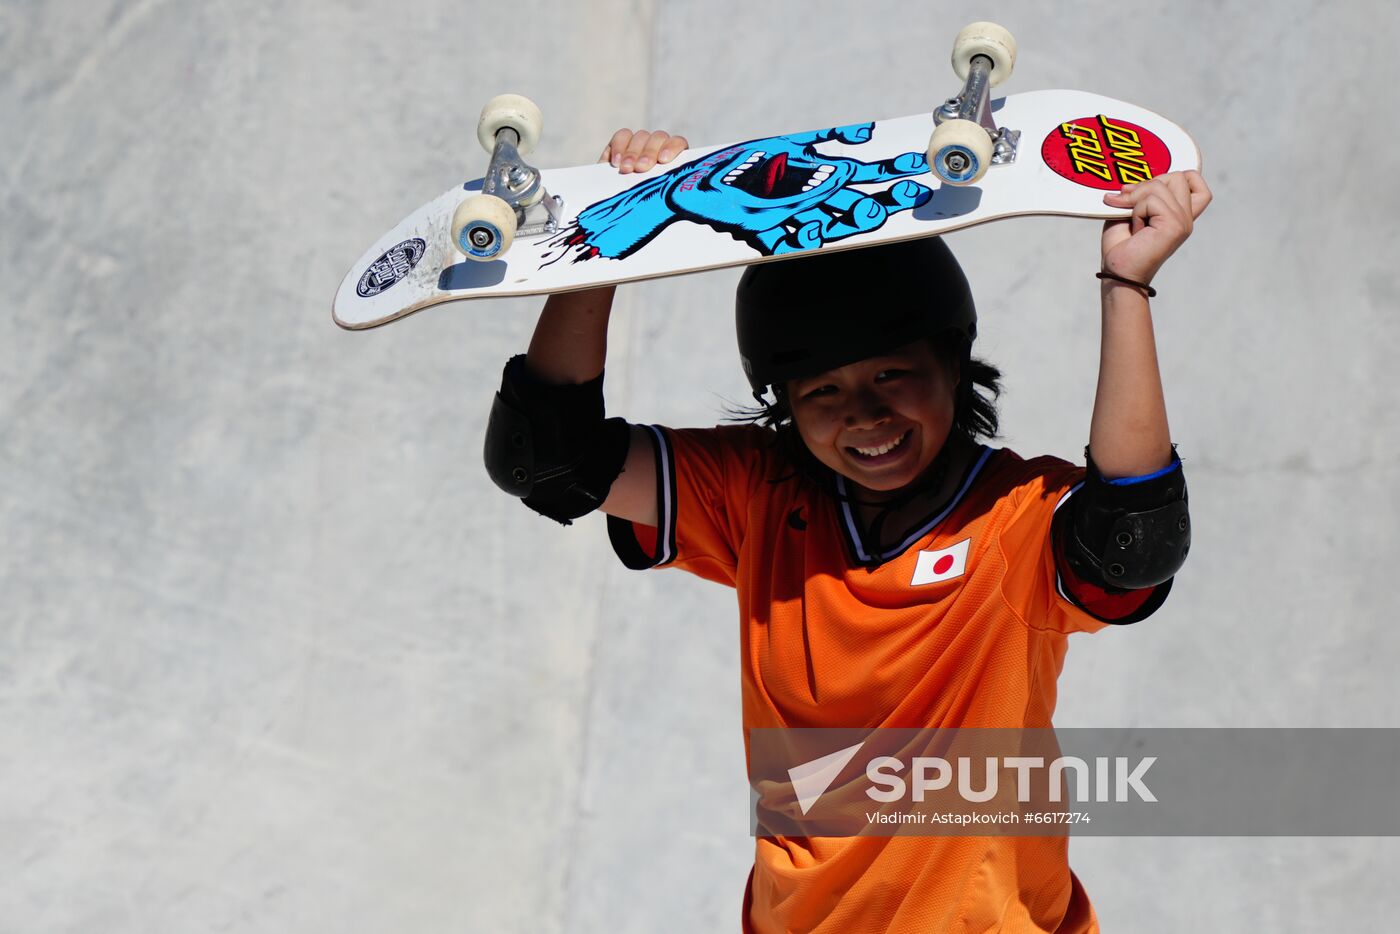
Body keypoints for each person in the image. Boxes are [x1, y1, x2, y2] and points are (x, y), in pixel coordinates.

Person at [483, 127, 1212, 932]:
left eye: (893, 375)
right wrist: (608, 239)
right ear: (784, 406)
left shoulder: (1014, 520)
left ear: (953, 366)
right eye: (822, 392)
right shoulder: (756, 495)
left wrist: (1125, 285)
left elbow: (1133, 535)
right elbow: (546, 459)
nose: (864, 415)